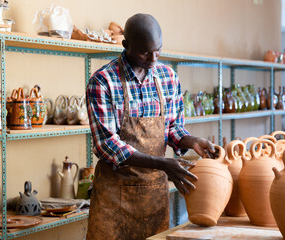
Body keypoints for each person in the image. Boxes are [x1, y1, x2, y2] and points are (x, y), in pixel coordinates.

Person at [86, 13, 215, 240]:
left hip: (154, 199)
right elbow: (107, 144)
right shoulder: (103, 81)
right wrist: (162, 163)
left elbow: (173, 128)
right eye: (145, 52)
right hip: (113, 199)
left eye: (159, 50)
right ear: (126, 45)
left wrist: (193, 141)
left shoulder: (168, 77)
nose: (154, 59)